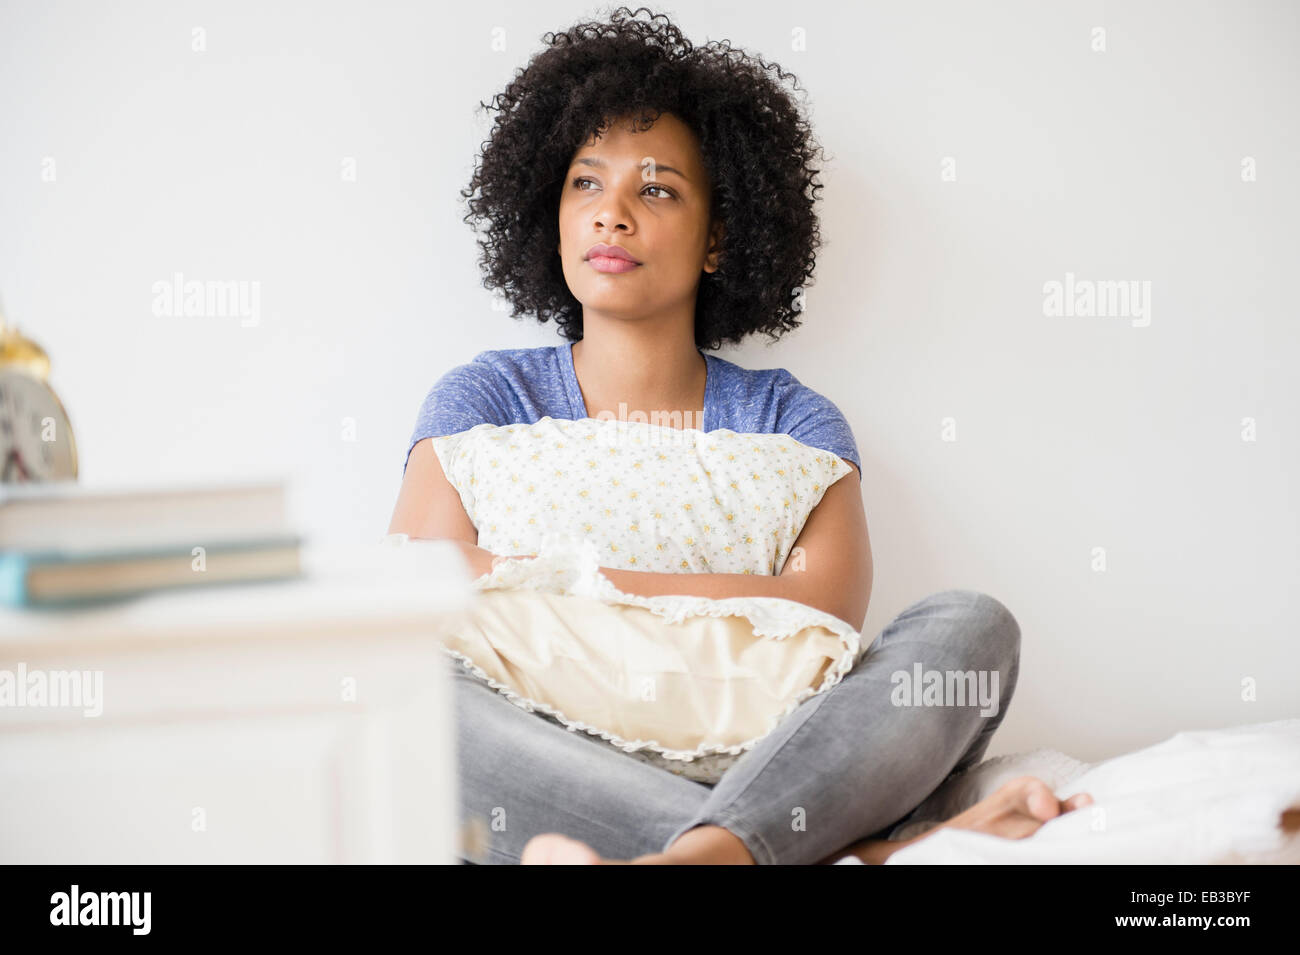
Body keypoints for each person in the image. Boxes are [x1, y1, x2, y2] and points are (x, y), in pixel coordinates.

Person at [388, 7, 1092, 864]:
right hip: (542, 755)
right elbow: (411, 589)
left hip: (762, 765)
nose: (611, 213)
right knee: (405, 685)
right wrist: (703, 593)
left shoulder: (792, 422)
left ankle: (700, 853)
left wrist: (560, 582)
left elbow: (819, 618)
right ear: (553, 210)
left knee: (971, 630)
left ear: (718, 237)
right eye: (585, 182)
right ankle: (807, 855)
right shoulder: (482, 399)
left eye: (656, 189)